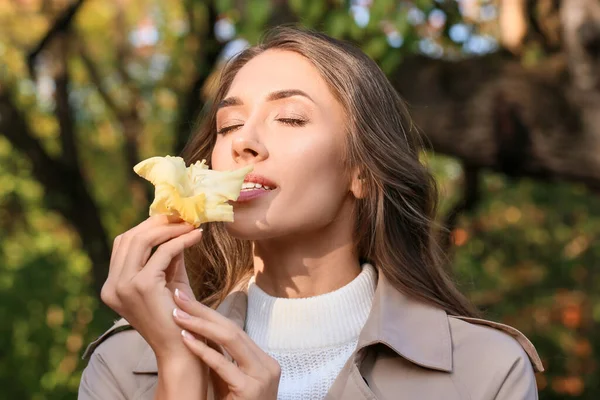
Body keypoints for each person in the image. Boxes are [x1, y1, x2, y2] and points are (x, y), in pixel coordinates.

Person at [78, 26, 543, 400]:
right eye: (229, 124)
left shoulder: (485, 370)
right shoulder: (125, 365)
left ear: (362, 171)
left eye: (291, 118)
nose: (243, 141)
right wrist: (178, 369)